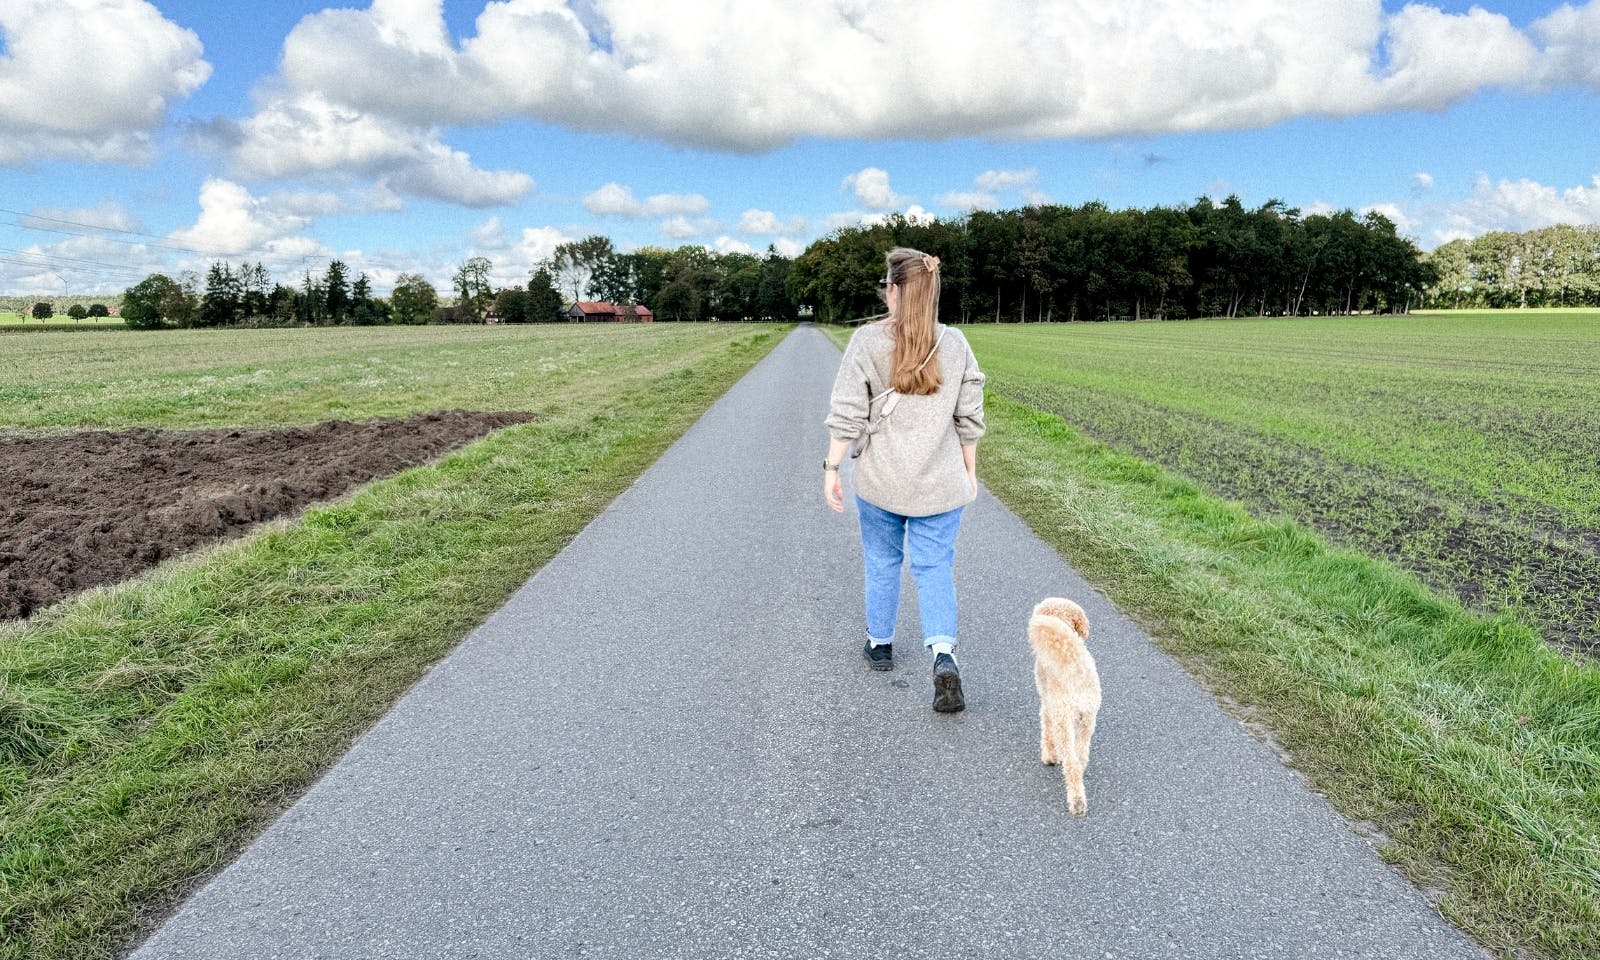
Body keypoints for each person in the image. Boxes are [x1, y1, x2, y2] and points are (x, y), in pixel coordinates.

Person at [823, 246, 986, 713]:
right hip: (940, 485)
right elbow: (968, 416)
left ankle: (880, 645)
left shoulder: (868, 342)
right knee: (934, 566)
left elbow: (847, 413)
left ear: (892, 290)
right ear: (932, 292)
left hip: (880, 482)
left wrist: (832, 469)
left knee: (882, 559)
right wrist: (969, 471)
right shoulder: (954, 344)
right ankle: (943, 655)